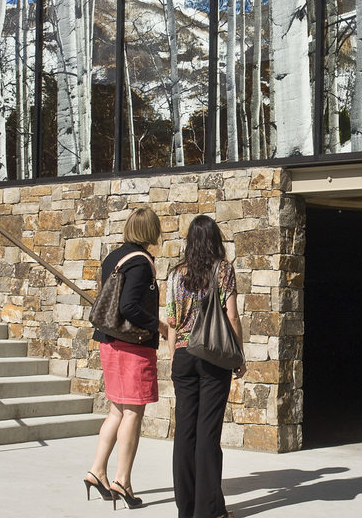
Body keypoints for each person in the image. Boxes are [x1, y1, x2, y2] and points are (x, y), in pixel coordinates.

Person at [84, 206, 170, 508]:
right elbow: (128, 306)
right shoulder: (142, 264)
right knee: (133, 412)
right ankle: (122, 479)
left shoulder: (114, 256)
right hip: (132, 347)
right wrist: (158, 325)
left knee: (117, 411)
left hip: (109, 342)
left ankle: (97, 470)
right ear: (151, 232)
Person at [166, 215, 246, 518]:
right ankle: (208, 512)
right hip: (212, 357)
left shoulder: (175, 274)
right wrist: (239, 355)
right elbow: (232, 316)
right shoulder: (222, 271)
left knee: (185, 433)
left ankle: (186, 509)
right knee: (207, 433)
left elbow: (172, 321)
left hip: (183, 356)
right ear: (215, 240)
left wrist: (173, 354)